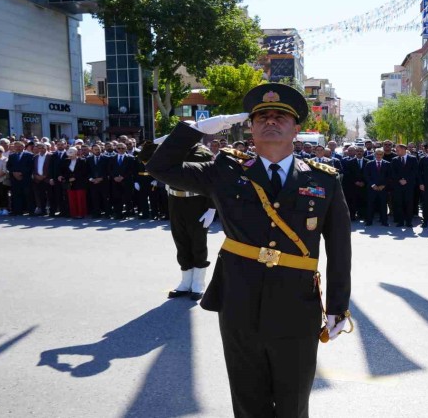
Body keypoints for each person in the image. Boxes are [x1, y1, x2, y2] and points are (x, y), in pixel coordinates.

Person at [145, 83, 352, 418]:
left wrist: (338, 307)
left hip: (296, 305)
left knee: (293, 399)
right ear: (250, 127)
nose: (271, 121)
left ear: (297, 128)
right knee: (247, 398)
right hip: (238, 300)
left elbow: (340, 248)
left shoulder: (324, 179)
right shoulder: (224, 171)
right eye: (262, 117)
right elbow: (160, 167)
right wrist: (196, 130)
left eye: (280, 117)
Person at [138, 140, 217, 300]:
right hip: (175, 201)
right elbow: (143, 158)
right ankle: (185, 282)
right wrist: (159, 141)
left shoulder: (202, 153)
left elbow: (212, 181)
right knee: (180, 241)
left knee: (197, 242)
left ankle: (198, 284)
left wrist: (211, 208)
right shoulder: (170, 149)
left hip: (197, 202)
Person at [390, 143, 418, 227]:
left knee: (409, 203)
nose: (396, 151)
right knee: (399, 203)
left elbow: (415, 171)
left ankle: (409, 222)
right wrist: (399, 180)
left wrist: (407, 180)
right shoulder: (394, 160)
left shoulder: (413, 159)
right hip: (398, 185)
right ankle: (400, 221)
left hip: (409, 185)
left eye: (397, 150)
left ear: (403, 149)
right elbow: (393, 172)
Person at [363, 147, 391, 226]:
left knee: (383, 205)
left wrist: (383, 185)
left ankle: (384, 221)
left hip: (383, 189)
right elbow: (366, 176)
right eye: (377, 154)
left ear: (383, 155)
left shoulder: (387, 164)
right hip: (372, 188)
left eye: (380, 154)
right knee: (370, 205)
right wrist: (372, 185)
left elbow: (389, 176)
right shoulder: (369, 164)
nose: (379, 156)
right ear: (374, 154)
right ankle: (369, 221)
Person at [6, 141, 35, 216]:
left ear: (23, 146)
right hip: (15, 178)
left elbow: (31, 166)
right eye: (16, 146)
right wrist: (14, 172)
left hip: (26, 178)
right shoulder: (12, 155)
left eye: (19, 146)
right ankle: (17, 211)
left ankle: (30, 211)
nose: (18, 148)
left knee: (28, 195)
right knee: (16, 194)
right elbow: (8, 166)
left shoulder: (29, 155)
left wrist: (21, 173)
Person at [61, 147, 89, 219]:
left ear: (76, 153)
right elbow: (64, 172)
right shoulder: (66, 161)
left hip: (80, 182)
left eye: (72, 154)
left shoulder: (82, 160)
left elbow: (84, 172)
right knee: (71, 198)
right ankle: (73, 213)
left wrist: (75, 177)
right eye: (69, 154)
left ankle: (81, 213)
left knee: (80, 199)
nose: (70, 156)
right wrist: (68, 178)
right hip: (70, 183)